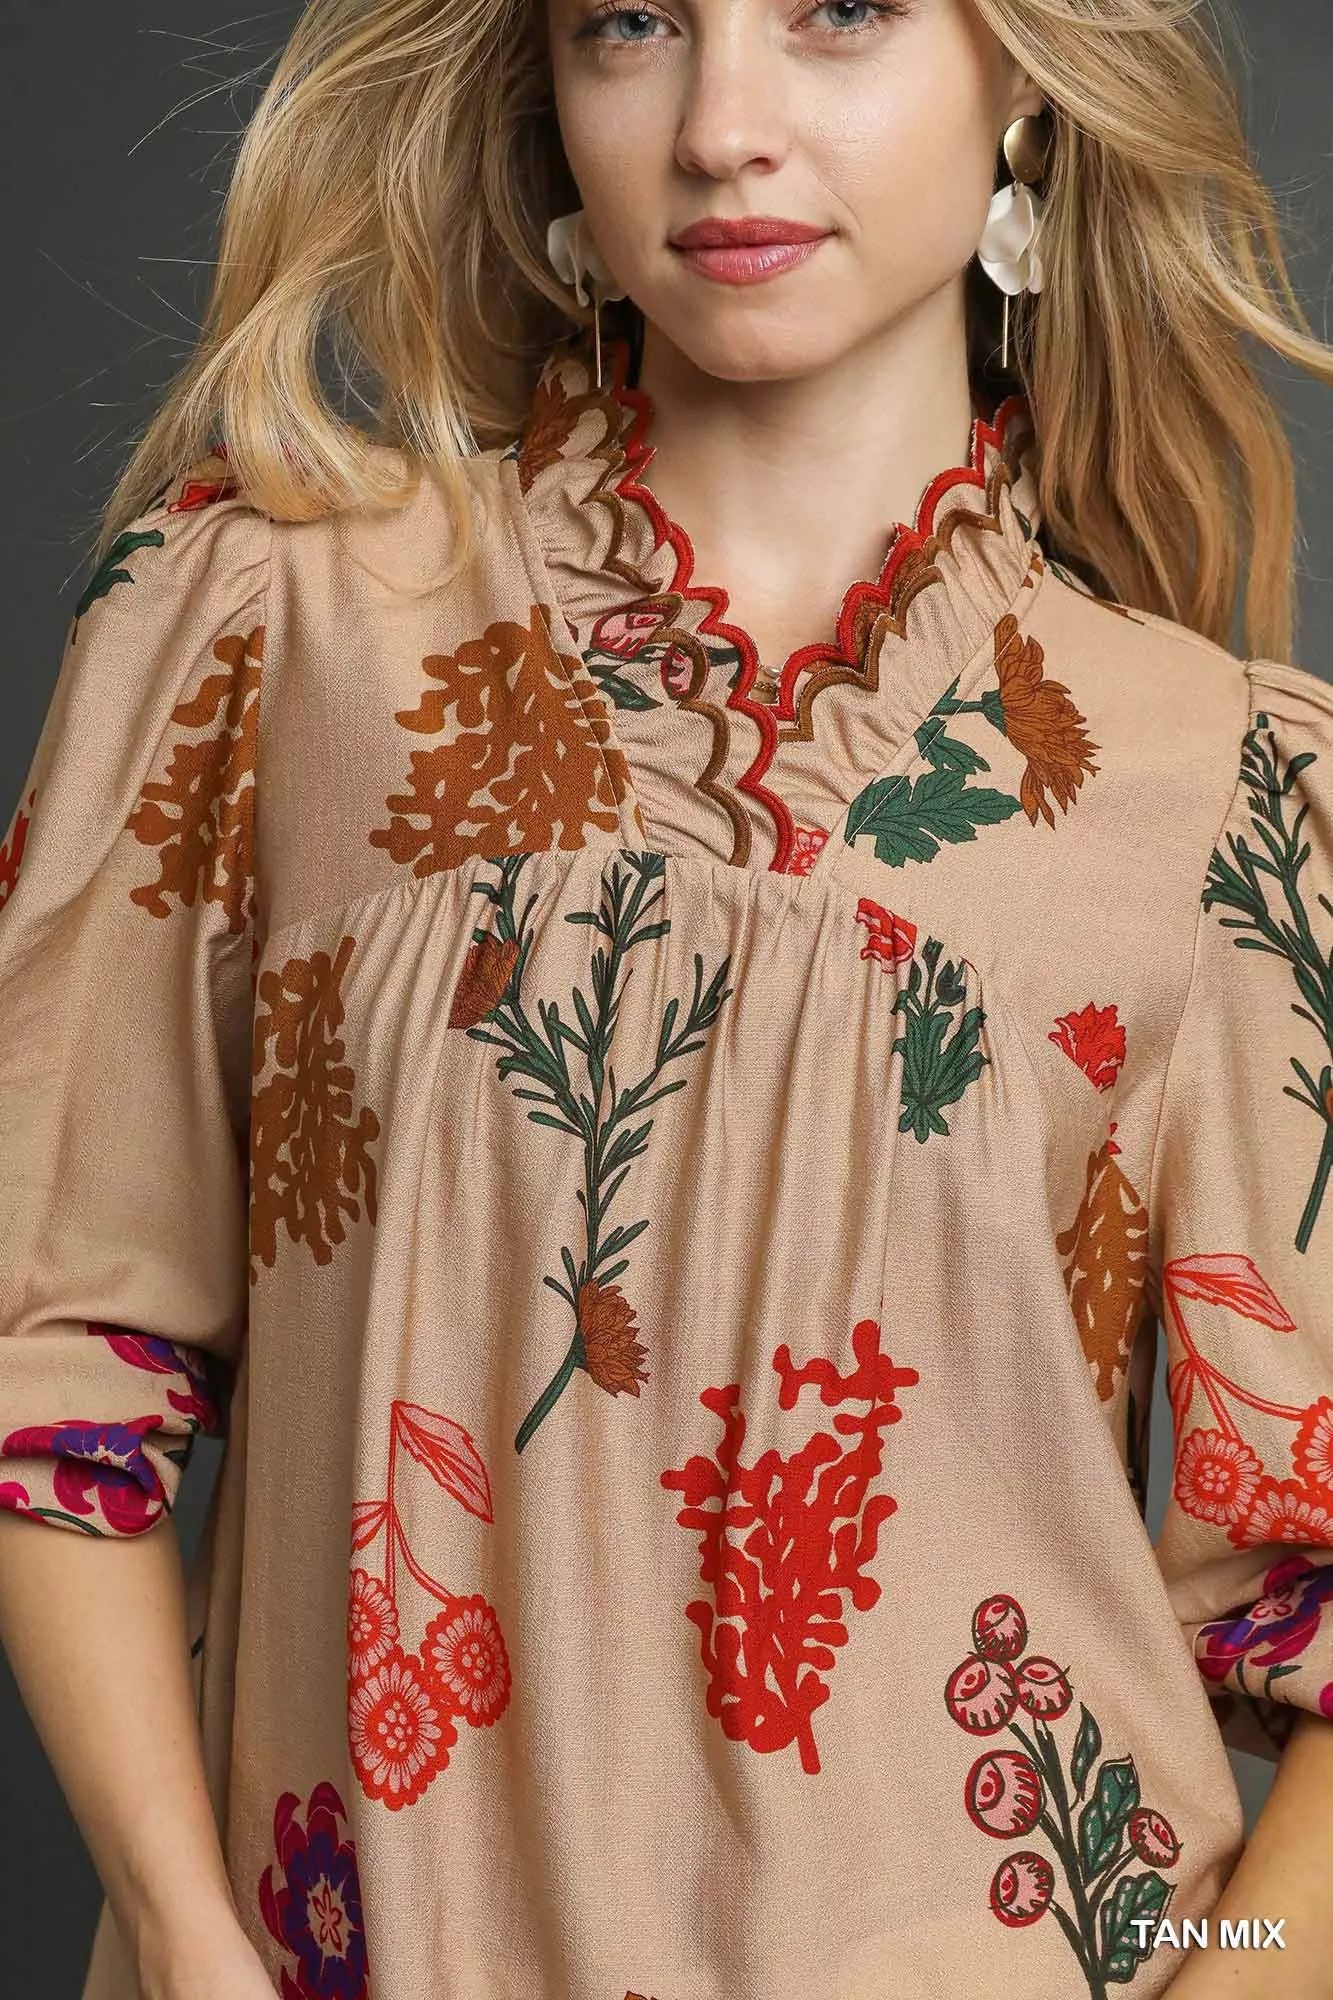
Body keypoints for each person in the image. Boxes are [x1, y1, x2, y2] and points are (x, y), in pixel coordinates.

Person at [2, 0, 1333, 1995]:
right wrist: (194, 1942)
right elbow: (54, 1357)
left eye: (839, 15)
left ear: (1028, 73)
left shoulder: (1220, 787)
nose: (722, 124)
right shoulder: (273, 631)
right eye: (633, 21)